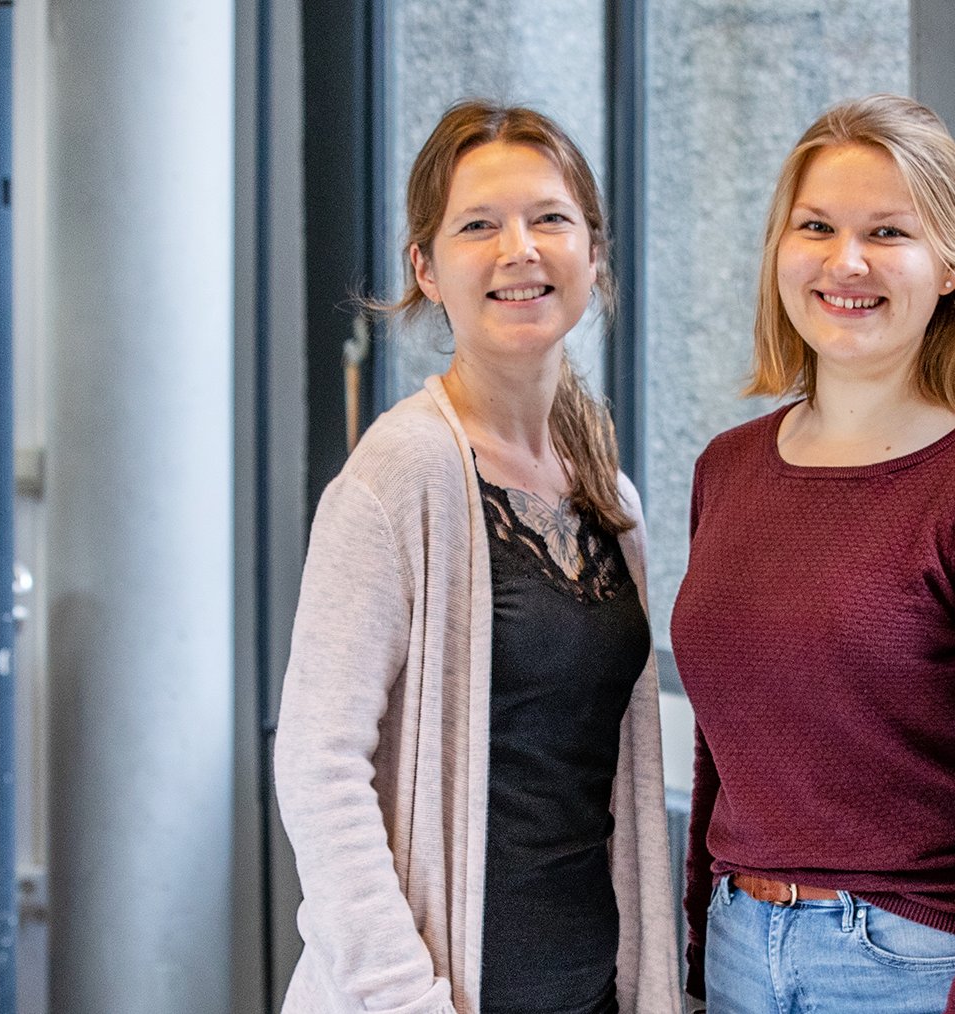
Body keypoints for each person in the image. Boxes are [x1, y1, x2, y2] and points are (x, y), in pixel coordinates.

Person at [674, 94, 955, 1014]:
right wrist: (702, 955)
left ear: (950, 265)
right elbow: (726, 747)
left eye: (889, 232)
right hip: (745, 950)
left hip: (924, 964)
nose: (846, 262)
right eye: (816, 227)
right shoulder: (728, 470)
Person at [272, 99, 678, 1014]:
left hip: (591, 989)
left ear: (594, 251)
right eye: (479, 226)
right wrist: (401, 997)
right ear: (426, 266)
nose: (519, 250)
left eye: (549, 219)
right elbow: (317, 764)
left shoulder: (610, 495)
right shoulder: (399, 473)